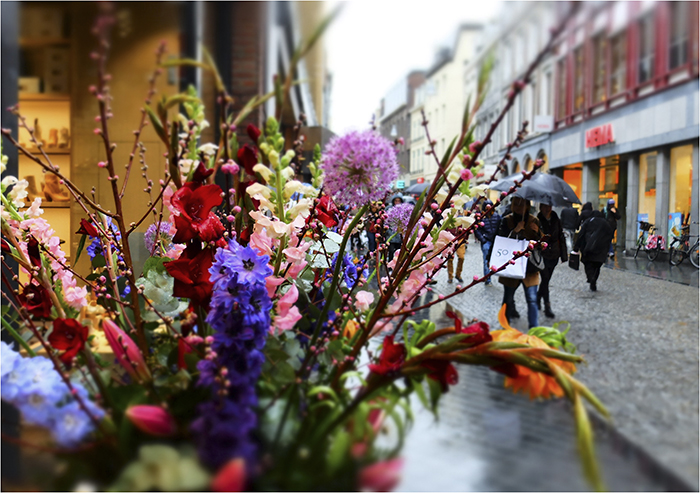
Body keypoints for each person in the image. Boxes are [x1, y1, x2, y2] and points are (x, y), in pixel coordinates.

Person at [497, 194, 543, 328]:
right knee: (508, 299)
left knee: (532, 299)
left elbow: (543, 244)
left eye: (521, 204)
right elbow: (500, 241)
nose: (518, 207)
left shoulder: (534, 221)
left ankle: (534, 329)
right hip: (512, 266)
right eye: (515, 204)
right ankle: (505, 327)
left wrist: (538, 232)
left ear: (527, 206)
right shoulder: (506, 220)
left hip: (530, 268)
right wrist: (515, 231)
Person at [537, 202, 568, 318]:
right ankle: (547, 306)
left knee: (546, 280)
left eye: (549, 206)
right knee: (545, 279)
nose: (547, 209)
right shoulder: (537, 220)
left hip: (554, 254)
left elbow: (561, 236)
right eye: (545, 206)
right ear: (540, 207)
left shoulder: (556, 219)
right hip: (543, 255)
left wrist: (564, 255)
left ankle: (538, 297)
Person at [574, 210, 614, 291]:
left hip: (588, 248)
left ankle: (590, 277)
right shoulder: (605, 223)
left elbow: (581, 234)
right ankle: (594, 279)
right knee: (597, 266)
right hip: (600, 249)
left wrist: (576, 247)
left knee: (588, 264)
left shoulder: (588, 221)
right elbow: (610, 235)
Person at [474, 199, 501, 286]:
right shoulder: (481, 218)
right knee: (486, 260)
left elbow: (500, 227)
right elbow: (476, 229)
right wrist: (483, 239)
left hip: (496, 241)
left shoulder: (497, 216)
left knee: (495, 259)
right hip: (486, 241)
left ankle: (492, 275)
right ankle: (487, 279)